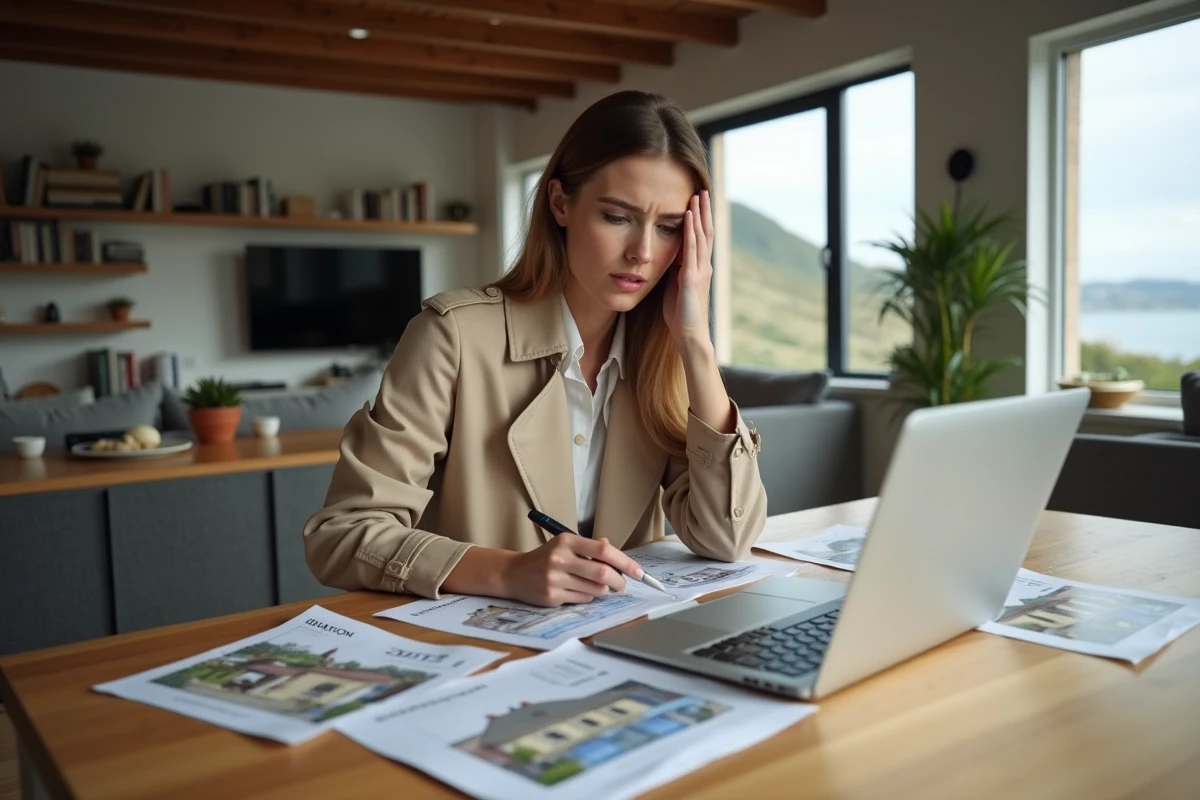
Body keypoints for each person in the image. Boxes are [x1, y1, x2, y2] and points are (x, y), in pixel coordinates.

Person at [303, 90, 768, 607]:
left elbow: (727, 538)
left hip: (617, 646)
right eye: (617, 217)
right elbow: (342, 535)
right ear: (561, 203)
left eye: (668, 228)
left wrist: (696, 343)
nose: (642, 252)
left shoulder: (665, 359)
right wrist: (505, 572)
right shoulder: (453, 337)